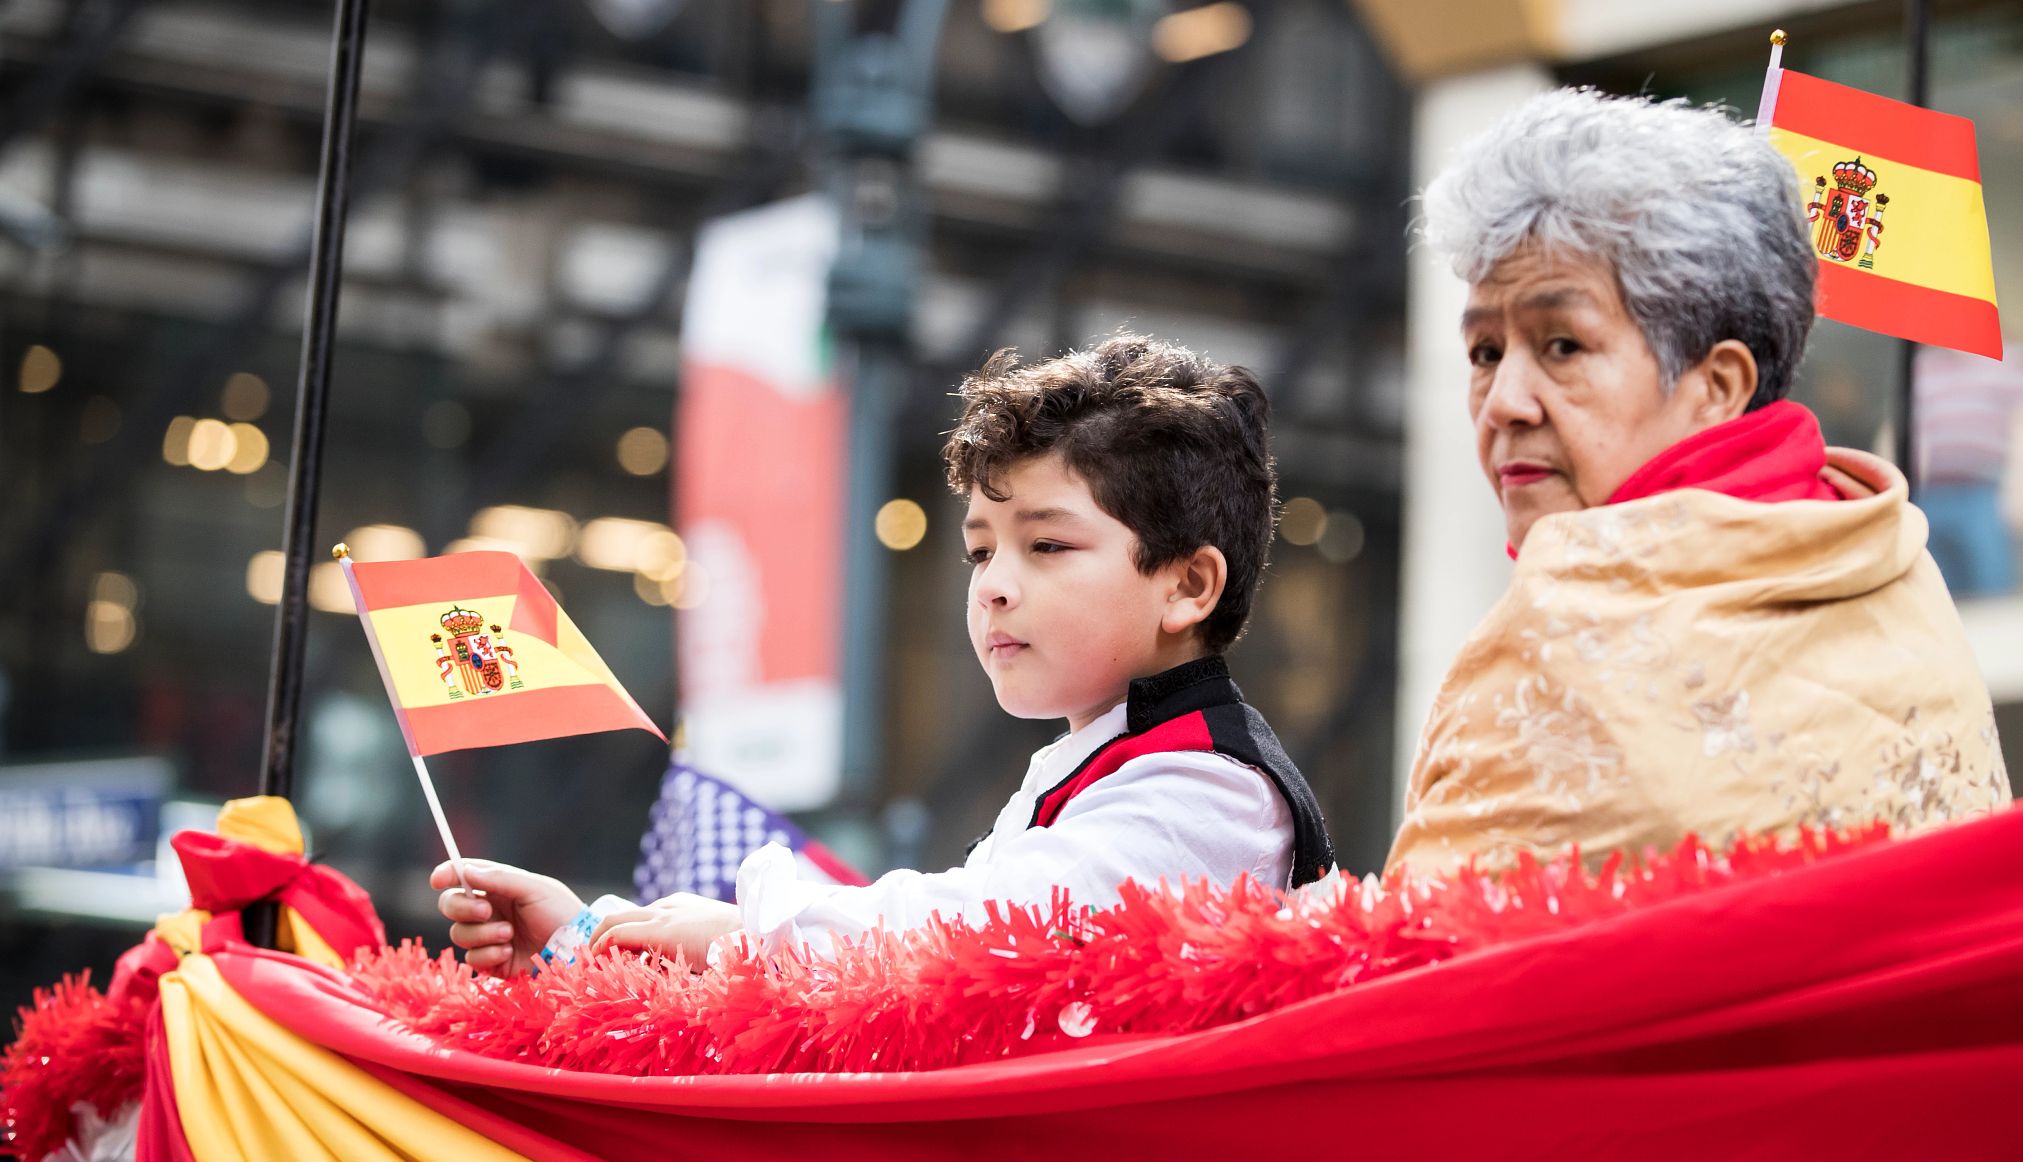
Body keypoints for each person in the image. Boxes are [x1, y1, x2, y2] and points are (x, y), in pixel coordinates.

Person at [435, 335, 1334, 972]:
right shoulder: (1115, 760)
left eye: (1046, 546)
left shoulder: (1207, 787)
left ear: (1188, 586)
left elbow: (980, 935)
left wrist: (748, 927)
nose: (991, 585)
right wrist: (587, 937)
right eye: (980, 550)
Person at [1386, 88, 2011, 878]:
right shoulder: (1895, 567)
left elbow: (1416, 960)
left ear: (1716, 385)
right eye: (1483, 352)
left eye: (1562, 345)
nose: (1505, 402)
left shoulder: (1562, 626)